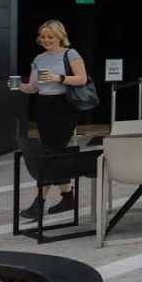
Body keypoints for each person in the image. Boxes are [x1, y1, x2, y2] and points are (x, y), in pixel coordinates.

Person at [17, 20, 88, 218]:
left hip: (63, 107)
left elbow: (82, 78)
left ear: (60, 36)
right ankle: (67, 197)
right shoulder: (39, 58)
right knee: (57, 152)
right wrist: (19, 86)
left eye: (50, 36)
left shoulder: (70, 54)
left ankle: (39, 202)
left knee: (49, 153)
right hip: (43, 107)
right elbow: (34, 87)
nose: (46, 40)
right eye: (43, 36)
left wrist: (59, 78)